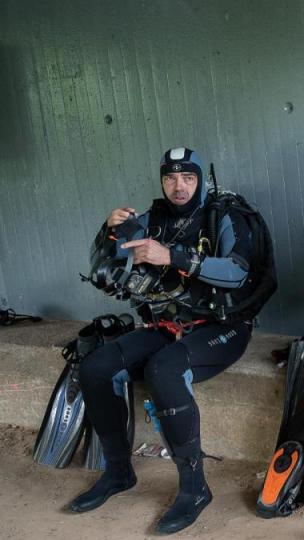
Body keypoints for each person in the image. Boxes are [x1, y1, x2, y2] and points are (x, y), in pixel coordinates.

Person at [69, 147, 276, 535]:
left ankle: (195, 489)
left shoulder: (224, 216)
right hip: (168, 323)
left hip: (223, 326)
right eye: (169, 178)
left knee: (164, 370)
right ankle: (118, 472)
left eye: (187, 178)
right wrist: (110, 229)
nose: (178, 187)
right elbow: (107, 265)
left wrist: (173, 257)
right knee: (96, 367)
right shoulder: (154, 219)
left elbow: (237, 273)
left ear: (199, 179)